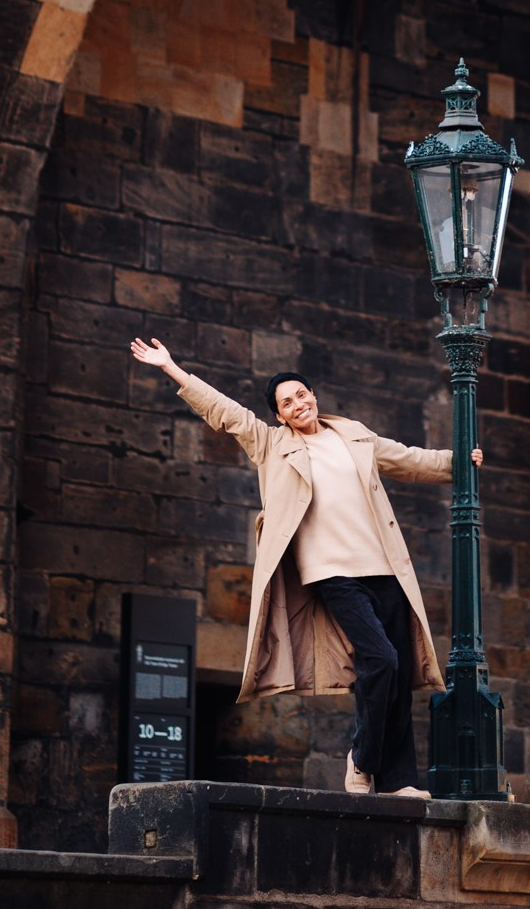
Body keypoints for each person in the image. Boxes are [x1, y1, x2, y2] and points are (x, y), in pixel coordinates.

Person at [130, 336, 482, 796]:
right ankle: (362, 758)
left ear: (313, 395)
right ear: (279, 416)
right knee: (380, 659)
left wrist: (461, 462)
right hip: (331, 573)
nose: (298, 405)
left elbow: (409, 460)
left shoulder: (354, 436)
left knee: (396, 673)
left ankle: (398, 782)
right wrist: (171, 367)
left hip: (384, 566)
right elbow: (224, 411)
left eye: (302, 395)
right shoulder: (271, 445)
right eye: (287, 403)